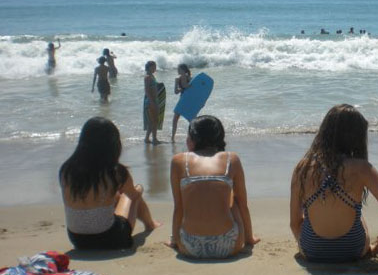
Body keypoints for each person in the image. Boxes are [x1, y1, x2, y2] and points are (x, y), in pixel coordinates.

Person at [290, 104, 378, 262]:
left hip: (312, 251)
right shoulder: (362, 169)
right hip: (353, 250)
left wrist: (303, 244)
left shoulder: (302, 167)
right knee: (357, 214)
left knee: (309, 211)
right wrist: (376, 250)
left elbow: (294, 223)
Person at [60, 117, 161, 250]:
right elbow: (132, 195)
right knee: (134, 192)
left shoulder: (66, 170)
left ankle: (150, 223)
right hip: (111, 239)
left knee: (116, 196)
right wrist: (140, 190)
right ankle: (150, 224)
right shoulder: (116, 171)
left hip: (77, 239)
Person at [167, 115, 260, 258]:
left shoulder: (178, 161)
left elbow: (178, 207)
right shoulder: (231, 159)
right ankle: (247, 236)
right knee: (234, 199)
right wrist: (249, 239)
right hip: (229, 245)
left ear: (194, 139)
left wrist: (175, 241)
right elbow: (243, 205)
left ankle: (179, 238)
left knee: (191, 196)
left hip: (189, 246)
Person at [171, 64, 192, 143]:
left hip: (189, 100)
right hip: (182, 100)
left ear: (183, 70)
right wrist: (182, 88)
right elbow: (175, 92)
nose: (177, 70)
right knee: (175, 119)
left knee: (191, 120)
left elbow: (195, 90)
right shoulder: (177, 79)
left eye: (179, 69)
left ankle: (191, 136)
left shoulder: (189, 78)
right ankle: (172, 137)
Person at [144, 60, 161, 145]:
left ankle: (147, 138)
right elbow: (146, 91)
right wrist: (152, 102)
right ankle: (154, 139)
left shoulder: (152, 76)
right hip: (151, 101)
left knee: (153, 121)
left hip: (155, 100)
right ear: (149, 67)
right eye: (154, 66)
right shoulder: (147, 77)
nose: (155, 68)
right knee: (154, 121)